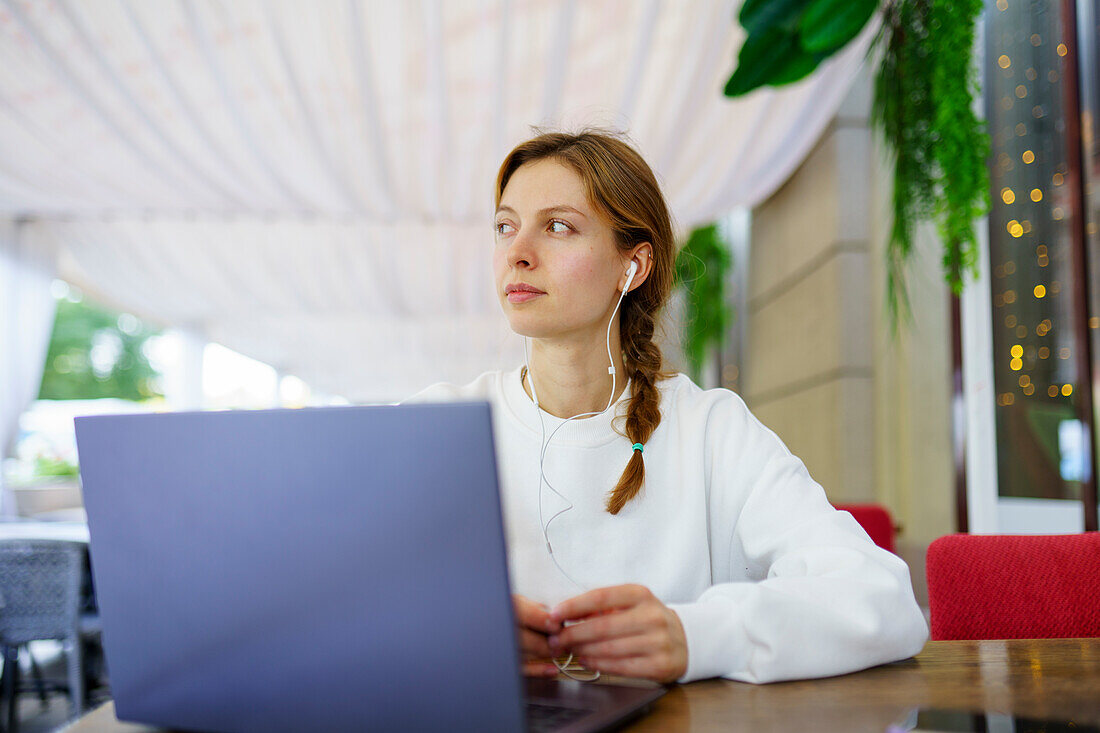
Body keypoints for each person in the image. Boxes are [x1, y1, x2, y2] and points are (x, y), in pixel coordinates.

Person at [407, 129, 928, 684]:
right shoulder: (432, 427)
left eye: (557, 226)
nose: (518, 252)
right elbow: (329, 599)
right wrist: (453, 631)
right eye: (506, 226)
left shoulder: (710, 431)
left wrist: (696, 635)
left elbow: (879, 595)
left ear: (632, 267)